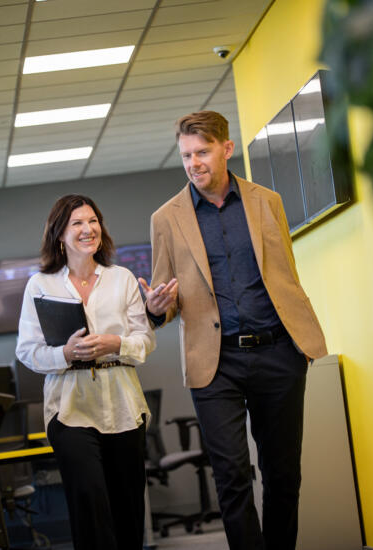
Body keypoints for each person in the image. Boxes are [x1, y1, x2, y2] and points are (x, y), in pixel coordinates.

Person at [139, 110, 327, 550]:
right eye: (186, 155)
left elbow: (286, 276)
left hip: (279, 351)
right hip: (214, 362)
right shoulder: (166, 219)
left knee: (283, 473)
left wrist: (299, 345)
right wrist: (155, 309)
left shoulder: (268, 201)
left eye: (202, 152)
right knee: (232, 474)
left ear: (226, 149)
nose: (193, 163)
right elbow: (165, 296)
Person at [15, 194, 155, 550]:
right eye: (77, 223)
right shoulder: (40, 285)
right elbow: (27, 351)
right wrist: (65, 352)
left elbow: (144, 340)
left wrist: (115, 344)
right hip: (70, 409)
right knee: (90, 503)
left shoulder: (120, 279)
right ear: (59, 233)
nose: (87, 229)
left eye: (92, 221)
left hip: (123, 406)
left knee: (127, 509)